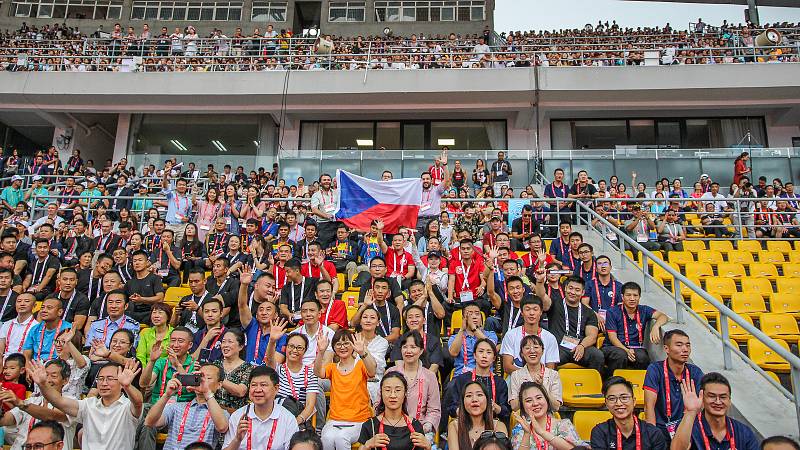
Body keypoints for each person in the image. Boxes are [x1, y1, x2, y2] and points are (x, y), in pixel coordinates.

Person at [32, 359, 142, 450]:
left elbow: (138, 403)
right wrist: (42, 384)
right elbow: (59, 401)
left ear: (121, 383)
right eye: (101, 379)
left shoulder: (127, 406)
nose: (104, 383)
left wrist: (128, 387)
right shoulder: (89, 405)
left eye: (110, 379)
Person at [315, 329, 376, 450]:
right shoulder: (332, 367)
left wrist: (362, 352)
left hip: (359, 420)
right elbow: (318, 372)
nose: (342, 347)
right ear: (334, 348)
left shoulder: (360, 364)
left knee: (341, 438)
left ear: (352, 345)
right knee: (326, 439)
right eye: (338, 344)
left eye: (346, 343)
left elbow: (372, 371)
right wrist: (321, 352)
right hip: (335, 420)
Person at [144, 364, 229, 449]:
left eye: (208, 378)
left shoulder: (221, 413)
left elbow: (222, 427)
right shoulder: (176, 407)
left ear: (219, 384)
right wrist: (167, 395)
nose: (202, 381)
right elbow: (150, 422)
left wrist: (207, 392)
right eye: (200, 377)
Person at [670, 373, 759, 450]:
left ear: (729, 401)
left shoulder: (744, 432)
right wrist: (691, 411)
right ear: (702, 398)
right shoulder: (689, 426)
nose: (718, 402)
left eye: (723, 397)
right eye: (712, 396)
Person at [644, 329, 704, 442]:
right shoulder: (655, 370)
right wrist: (652, 436)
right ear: (666, 349)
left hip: (688, 427)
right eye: (679, 345)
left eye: (688, 345)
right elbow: (649, 407)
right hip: (661, 428)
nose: (685, 349)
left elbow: (701, 407)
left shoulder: (695, 373)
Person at [222, 366, 299, 450]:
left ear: (276, 388)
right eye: (254, 385)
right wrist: (237, 439)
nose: (258, 390)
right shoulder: (238, 416)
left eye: (263, 385)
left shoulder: (288, 419)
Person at [386, 330, 441, 441]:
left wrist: (426, 426)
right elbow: (380, 403)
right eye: (405, 347)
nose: (408, 351)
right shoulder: (391, 373)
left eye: (413, 347)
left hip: (420, 429)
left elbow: (434, 410)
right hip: (392, 427)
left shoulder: (429, 376)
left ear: (421, 351)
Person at [603, 282, 669, 374]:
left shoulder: (644, 310)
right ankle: (613, 382)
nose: (632, 299)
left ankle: (638, 385)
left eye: (635, 295)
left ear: (639, 297)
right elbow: (612, 337)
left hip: (636, 347)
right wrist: (626, 350)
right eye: (628, 295)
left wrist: (656, 326)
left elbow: (663, 316)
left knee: (643, 357)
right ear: (622, 297)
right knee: (621, 355)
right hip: (613, 347)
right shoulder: (612, 312)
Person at [540, 276, 603, 371]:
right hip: (558, 347)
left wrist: (582, 346)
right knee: (548, 357)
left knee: (597, 355)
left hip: (580, 346)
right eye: (570, 288)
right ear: (565, 288)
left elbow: (592, 336)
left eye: (577, 290)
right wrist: (540, 281)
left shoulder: (588, 312)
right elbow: (541, 296)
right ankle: (549, 384)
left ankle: (594, 384)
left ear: (582, 292)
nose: (573, 292)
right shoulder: (554, 304)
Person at [358, 372, 430, 450]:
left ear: (405, 393)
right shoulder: (370, 425)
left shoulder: (415, 426)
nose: (393, 395)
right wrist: (367, 446)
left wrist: (428, 447)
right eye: (388, 390)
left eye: (398, 390)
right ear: (381, 393)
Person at [590, 376, 667, 449]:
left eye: (624, 398)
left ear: (634, 401)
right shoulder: (600, 432)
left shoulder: (653, 433)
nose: (619, 403)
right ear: (606, 404)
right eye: (612, 399)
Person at [445, 339, 510, 423]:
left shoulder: (500, 382)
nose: (484, 356)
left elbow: (506, 412)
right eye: (481, 351)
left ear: (494, 358)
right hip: (466, 422)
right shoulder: (462, 379)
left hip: (492, 424)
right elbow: (452, 408)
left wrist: (495, 407)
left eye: (488, 352)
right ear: (474, 355)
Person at [499, 292, 560, 374]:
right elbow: (507, 367)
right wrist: (529, 375)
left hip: (541, 379)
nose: (531, 313)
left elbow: (550, 369)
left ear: (541, 312)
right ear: (522, 312)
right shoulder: (511, 335)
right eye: (527, 309)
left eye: (535, 309)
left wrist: (537, 377)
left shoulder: (550, 338)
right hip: (517, 378)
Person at [510, 381, 581, 450]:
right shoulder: (520, 429)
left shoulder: (563, 425)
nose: (535, 403)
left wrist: (542, 432)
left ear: (546, 400)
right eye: (529, 401)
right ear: (523, 406)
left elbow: (574, 448)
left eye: (539, 398)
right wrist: (527, 434)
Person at [274, 333, 319, 430]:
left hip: (298, 419)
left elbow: (310, 405)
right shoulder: (277, 370)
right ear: (286, 348)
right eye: (291, 346)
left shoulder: (311, 373)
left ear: (305, 351)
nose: (294, 350)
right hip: (277, 417)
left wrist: (296, 421)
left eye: (299, 348)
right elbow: (269, 360)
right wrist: (272, 340)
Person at [507, 334, 562, 411]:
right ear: (522, 353)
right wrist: (525, 389)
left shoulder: (553, 374)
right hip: (526, 419)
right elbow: (514, 406)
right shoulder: (516, 375)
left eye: (536, 347)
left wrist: (542, 387)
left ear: (542, 351)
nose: (532, 351)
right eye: (527, 348)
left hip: (547, 419)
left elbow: (556, 407)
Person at [447, 381, 508, 450]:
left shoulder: (498, 426)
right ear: (463, 402)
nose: (474, 400)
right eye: (469, 396)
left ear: (488, 400)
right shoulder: (455, 426)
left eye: (479, 395)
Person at [448, 303, 498, 375]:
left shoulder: (490, 334)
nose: (474, 317)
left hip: (485, 375)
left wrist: (474, 329)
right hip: (462, 376)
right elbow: (453, 353)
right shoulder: (455, 337)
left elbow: (491, 347)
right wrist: (462, 329)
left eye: (477, 314)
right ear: (463, 318)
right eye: (470, 314)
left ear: (481, 318)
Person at [213, 329, 252, 413]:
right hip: (213, 412)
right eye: (223, 342)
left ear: (241, 346)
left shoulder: (248, 367)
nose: (225, 345)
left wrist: (217, 378)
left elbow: (241, 391)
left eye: (230, 342)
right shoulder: (215, 364)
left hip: (235, 414)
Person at [22, 297, 71, 362]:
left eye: (49, 308)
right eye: (42, 307)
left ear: (60, 312)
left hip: (58, 366)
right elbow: (27, 353)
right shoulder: (35, 329)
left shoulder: (68, 329)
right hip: (37, 366)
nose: (44, 310)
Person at [0, 292, 37, 359]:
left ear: (34, 305)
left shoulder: (36, 326)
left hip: (24, 362)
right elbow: (1, 348)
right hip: (5, 361)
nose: (22, 304)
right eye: (19, 301)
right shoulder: (7, 324)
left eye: (27, 301)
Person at [135, 303, 172, 367]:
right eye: (154, 312)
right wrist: (144, 372)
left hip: (166, 369)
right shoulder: (145, 332)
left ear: (168, 316)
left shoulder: (174, 333)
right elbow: (141, 356)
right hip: (147, 368)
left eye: (160, 313)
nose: (156, 316)